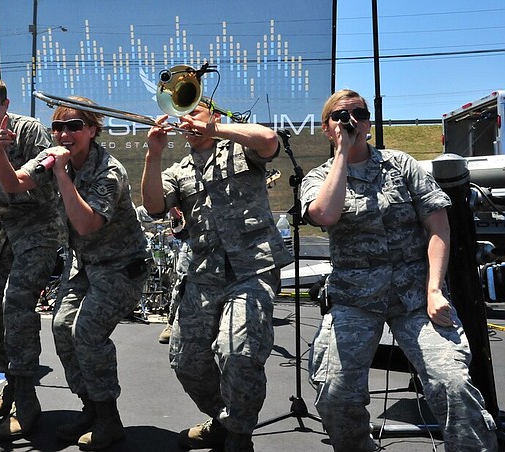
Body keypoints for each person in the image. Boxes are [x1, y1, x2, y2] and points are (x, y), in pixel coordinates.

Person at [300, 89, 498, 451]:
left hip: (415, 296)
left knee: (452, 384)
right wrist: (343, 154)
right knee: (335, 394)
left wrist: (435, 289)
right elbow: (325, 214)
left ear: (369, 123)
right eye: (340, 117)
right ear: (327, 129)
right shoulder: (319, 178)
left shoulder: (401, 166)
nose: (351, 121)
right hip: (354, 299)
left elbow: (439, 227)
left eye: (359, 113)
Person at [0, 96, 150, 450]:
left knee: (88, 331)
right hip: (88, 265)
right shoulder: (51, 157)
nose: (64, 134)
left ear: (93, 130)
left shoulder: (109, 172)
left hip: (123, 264)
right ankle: (91, 407)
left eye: (74, 126)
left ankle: (110, 419)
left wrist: (61, 172)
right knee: (62, 326)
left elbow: (86, 223)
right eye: (58, 127)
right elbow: (14, 183)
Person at [141, 99, 292, 451]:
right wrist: (153, 154)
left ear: (215, 116)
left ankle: (239, 435)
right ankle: (224, 419)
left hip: (252, 269)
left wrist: (217, 131)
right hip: (205, 274)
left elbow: (270, 141)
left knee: (237, 351)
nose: (187, 121)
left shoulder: (239, 148)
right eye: (183, 117)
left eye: (194, 112)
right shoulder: (179, 170)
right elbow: (153, 205)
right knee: (185, 359)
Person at [0, 75, 65, 440]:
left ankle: (27, 400)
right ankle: (13, 384)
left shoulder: (30, 130)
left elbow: (45, 188)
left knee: (15, 306)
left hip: (38, 230)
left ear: (5, 105)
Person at [158, 206, 192, 344]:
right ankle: (171, 322)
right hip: (193, 237)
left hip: (229, 237)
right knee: (183, 280)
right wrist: (175, 212)